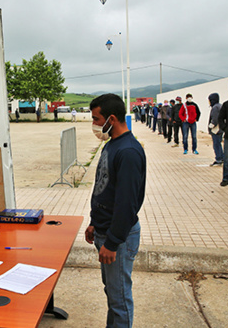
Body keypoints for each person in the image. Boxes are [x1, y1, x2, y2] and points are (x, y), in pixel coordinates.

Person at [84, 93, 146, 327]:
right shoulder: (112, 145)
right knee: (112, 293)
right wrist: (94, 222)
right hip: (104, 230)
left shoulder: (128, 151)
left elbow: (127, 203)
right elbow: (104, 187)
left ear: (112, 118)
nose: (94, 125)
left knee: (119, 300)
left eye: (96, 119)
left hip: (118, 237)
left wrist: (112, 241)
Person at [208, 93, 224, 166]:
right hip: (221, 128)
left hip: (216, 129)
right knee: (219, 144)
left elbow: (215, 118)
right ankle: (222, 157)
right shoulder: (220, 106)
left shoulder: (215, 107)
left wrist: (211, 125)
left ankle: (219, 159)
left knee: (216, 144)